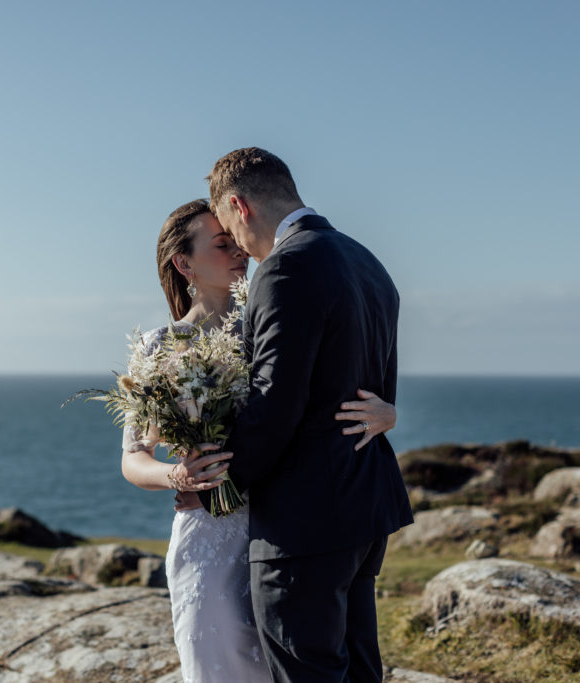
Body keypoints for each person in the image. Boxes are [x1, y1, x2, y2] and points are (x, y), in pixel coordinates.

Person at [119, 198, 398, 683]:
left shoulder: (272, 321)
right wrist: (176, 475)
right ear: (183, 263)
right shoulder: (160, 346)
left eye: (235, 241)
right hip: (207, 531)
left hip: (282, 529)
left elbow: (324, 393)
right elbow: (132, 457)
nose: (238, 252)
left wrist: (389, 411)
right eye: (221, 244)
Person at [195, 148, 414, 682]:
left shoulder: (285, 267)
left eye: (227, 225)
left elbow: (275, 403)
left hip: (305, 519)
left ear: (238, 206)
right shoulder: (367, 261)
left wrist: (217, 484)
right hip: (364, 507)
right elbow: (377, 394)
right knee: (361, 670)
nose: (238, 246)